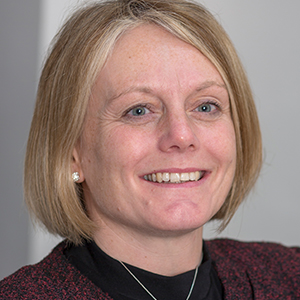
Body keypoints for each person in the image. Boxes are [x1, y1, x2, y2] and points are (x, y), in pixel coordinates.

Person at [1, 0, 299, 299]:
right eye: (139, 110)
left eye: (206, 106)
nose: (182, 136)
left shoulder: (291, 277)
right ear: (71, 151)